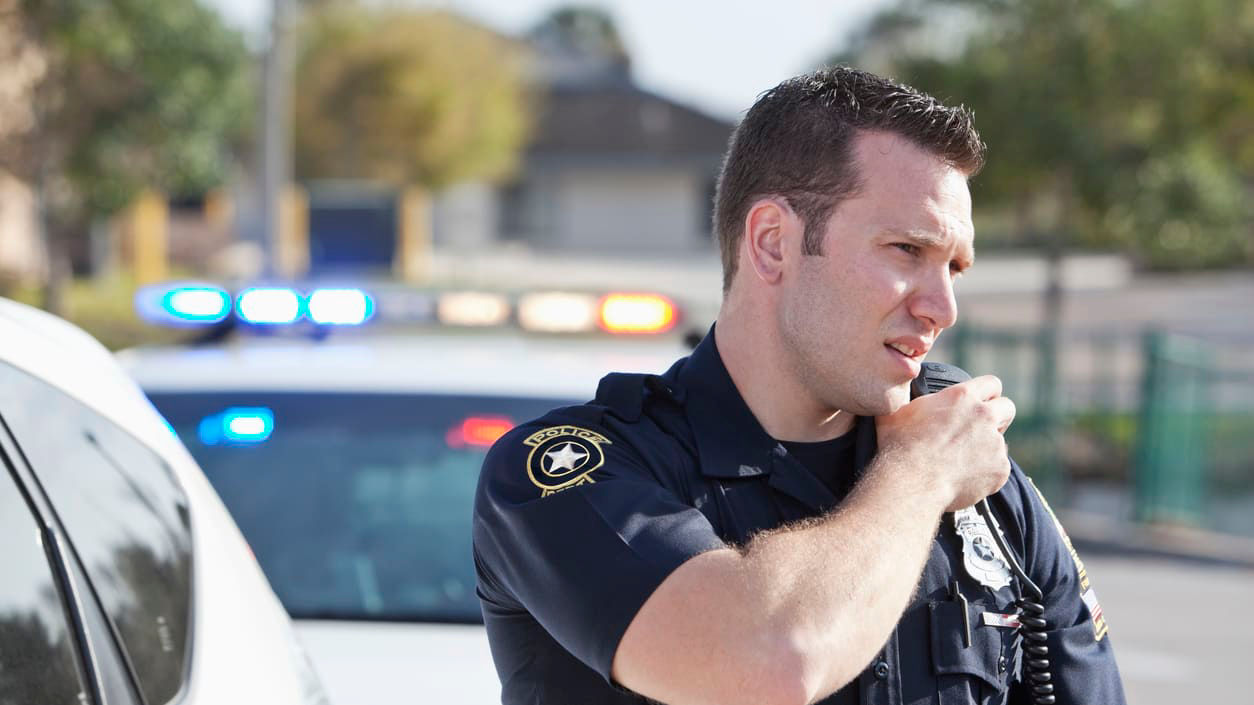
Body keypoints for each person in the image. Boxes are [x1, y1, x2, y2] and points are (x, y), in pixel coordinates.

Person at [472, 66, 1125, 705]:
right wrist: (921, 472)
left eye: (954, 266)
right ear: (773, 244)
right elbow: (766, 664)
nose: (942, 306)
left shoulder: (987, 492)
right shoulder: (564, 473)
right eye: (906, 250)